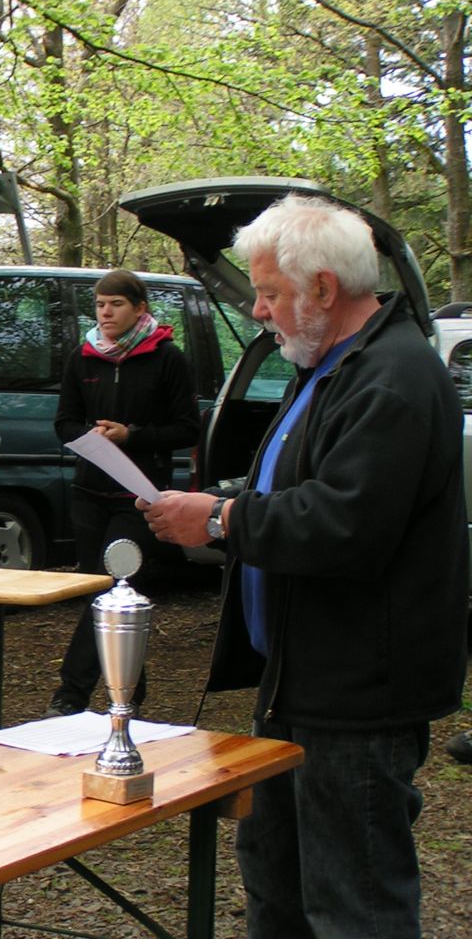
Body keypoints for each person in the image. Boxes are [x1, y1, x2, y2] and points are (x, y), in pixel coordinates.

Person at [141, 194, 467, 938]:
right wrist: (223, 501)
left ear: (323, 287)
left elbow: (346, 526)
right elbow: (291, 486)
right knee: (276, 884)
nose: (258, 310)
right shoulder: (329, 366)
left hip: (357, 696)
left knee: (354, 904)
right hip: (296, 679)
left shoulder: (393, 376)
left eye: (269, 292)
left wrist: (220, 519)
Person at [44, 270, 199, 718]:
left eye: (116, 304)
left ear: (139, 308)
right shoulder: (83, 357)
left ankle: (70, 694)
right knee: (102, 589)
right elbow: (64, 423)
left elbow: (187, 428)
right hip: (89, 491)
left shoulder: (167, 358)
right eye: (100, 305)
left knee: (113, 589)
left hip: (139, 496)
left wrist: (131, 435)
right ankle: (129, 689)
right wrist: (89, 436)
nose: (106, 313)